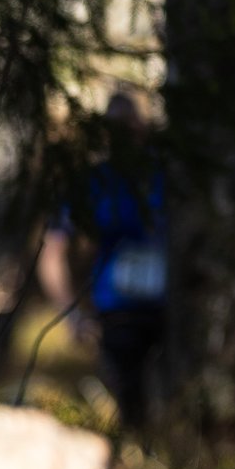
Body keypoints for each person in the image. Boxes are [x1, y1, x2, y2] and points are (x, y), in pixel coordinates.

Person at [38, 88, 168, 431]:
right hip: (118, 314)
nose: (125, 134)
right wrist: (71, 314)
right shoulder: (92, 183)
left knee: (176, 406)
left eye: (130, 124)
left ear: (142, 126)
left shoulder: (167, 175)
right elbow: (52, 253)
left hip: (173, 312)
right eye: (115, 127)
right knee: (131, 409)